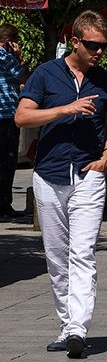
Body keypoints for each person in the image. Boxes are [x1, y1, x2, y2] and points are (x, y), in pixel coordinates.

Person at [15, 11, 107, 358]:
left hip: (89, 175)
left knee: (83, 252)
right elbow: (22, 116)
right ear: (74, 41)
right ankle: (66, 325)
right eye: (92, 45)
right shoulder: (46, 74)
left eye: (104, 46)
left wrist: (106, 160)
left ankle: (78, 328)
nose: (99, 52)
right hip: (50, 173)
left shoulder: (105, 80)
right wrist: (65, 110)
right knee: (57, 256)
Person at [0, 24, 30, 219]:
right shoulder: (5, 56)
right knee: (7, 160)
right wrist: (18, 56)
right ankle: (3, 205)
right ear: (10, 40)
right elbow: (24, 77)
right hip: (6, 115)